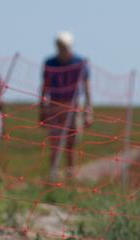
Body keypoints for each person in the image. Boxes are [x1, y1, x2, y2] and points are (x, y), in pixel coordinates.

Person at [39, 31, 93, 180]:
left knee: (71, 142)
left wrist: (88, 110)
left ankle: (71, 174)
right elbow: (44, 87)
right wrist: (42, 108)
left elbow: (87, 87)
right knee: (55, 142)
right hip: (55, 106)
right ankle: (53, 174)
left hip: (74, 106)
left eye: (65, 46)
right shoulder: (50, 63)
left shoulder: (80, 62)